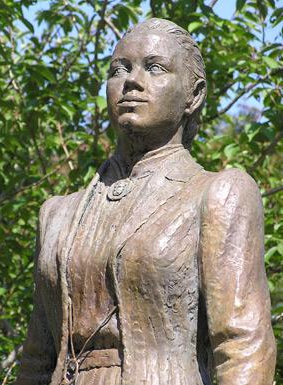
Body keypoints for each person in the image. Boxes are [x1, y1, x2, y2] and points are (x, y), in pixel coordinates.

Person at [16, 18, 276, 385]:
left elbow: (242, 346)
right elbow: (37, 359)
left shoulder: (218, 195)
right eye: (118, 69)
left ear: (194, 95)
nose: (131, 81)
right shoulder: (57, 215)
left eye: (154, 68)